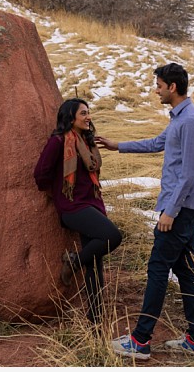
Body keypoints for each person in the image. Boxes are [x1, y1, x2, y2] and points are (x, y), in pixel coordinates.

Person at [96, 62, 194, 360]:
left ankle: (141, 340)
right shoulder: (179, 118)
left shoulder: (189, 122)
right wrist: (116, 145)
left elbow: (188, 175)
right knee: (184, 271)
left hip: (181, 209)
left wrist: (170, 212)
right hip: (183, 207)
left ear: (172, 87)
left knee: (158, 269)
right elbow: (158, 143)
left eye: (158, 85)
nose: (155, 90)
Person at [34, 98, 122, 324]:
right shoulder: (58, 142)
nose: (88, 117)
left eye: (88, 112)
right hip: (73, 207)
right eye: (83, 113)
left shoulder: (87, 141)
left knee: (95, 264)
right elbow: (40, 174)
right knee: (113, 236)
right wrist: (57, 193)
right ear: (70, 117)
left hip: (93, 205)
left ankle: (95, 320)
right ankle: (73, 261)